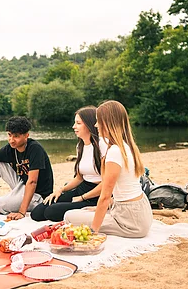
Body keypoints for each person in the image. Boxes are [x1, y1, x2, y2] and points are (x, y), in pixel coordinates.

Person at [64, 100, 153, 238]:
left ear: (107, 123)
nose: (95, 125)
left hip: (130, 220)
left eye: (98, 121)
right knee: (86, 210)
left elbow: (105, 197)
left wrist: (93, 232)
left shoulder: (115, 152)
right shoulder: (126, 146)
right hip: (140, 211)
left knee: (69, 217)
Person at [31, 106, 108, 222]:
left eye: (78, 123)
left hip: (97, 194)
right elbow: (79, 177)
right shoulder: (80, 146)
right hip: (83, 188)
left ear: (89, 124)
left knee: (51, 212)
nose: (74, 127)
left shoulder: (103, 145)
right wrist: (60, 190)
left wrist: (82, 198)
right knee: (37, 213)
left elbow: (107, 183)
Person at [0, 116, 53, 220]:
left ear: (26, 136)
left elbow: (32, 182)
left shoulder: (35, 149)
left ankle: (12, 202)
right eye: (9, 135)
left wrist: (21, 212)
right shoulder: (10, 148)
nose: (11, 140)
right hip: (22, 185)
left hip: (38, 195)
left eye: (16, 136)